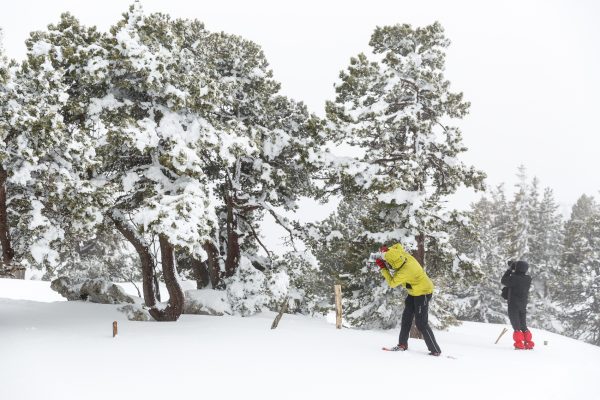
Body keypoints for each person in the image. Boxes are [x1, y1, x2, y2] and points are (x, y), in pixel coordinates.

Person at [375, 243, 442, 356]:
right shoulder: (401, 254)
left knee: (421, 323)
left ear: (395, 263)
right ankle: (402, 344)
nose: (388, 264)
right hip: (413, 292)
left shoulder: (405, 271)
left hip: (423, 292)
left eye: (389, 263)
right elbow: (397, 245)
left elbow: (392, 283)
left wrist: (383, 268)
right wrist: (386, 251)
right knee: (406, 318)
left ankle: (435, 350)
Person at [501, 260, 535, 350]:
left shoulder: (514, 278)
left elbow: (503, 280)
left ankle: (519, 344)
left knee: (516, 326)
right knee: (523, 325)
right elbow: (518, 275)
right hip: (523, 305)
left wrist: (509, 269)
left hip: (513, 304)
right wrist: (514, 268)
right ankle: (528, 343)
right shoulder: (528, 278)